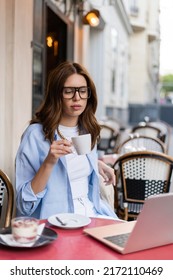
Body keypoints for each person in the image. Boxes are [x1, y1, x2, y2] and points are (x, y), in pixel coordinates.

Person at [15, 61, 118, 220]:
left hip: (93, 213)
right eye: (69, 91)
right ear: (57, 95)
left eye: (82, 91)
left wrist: (96, 164)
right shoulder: (35, 135)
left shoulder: (87, 129)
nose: (77, 98)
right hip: (57, 221)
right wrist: (49, 162)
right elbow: (24, 204)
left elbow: (74, 163)